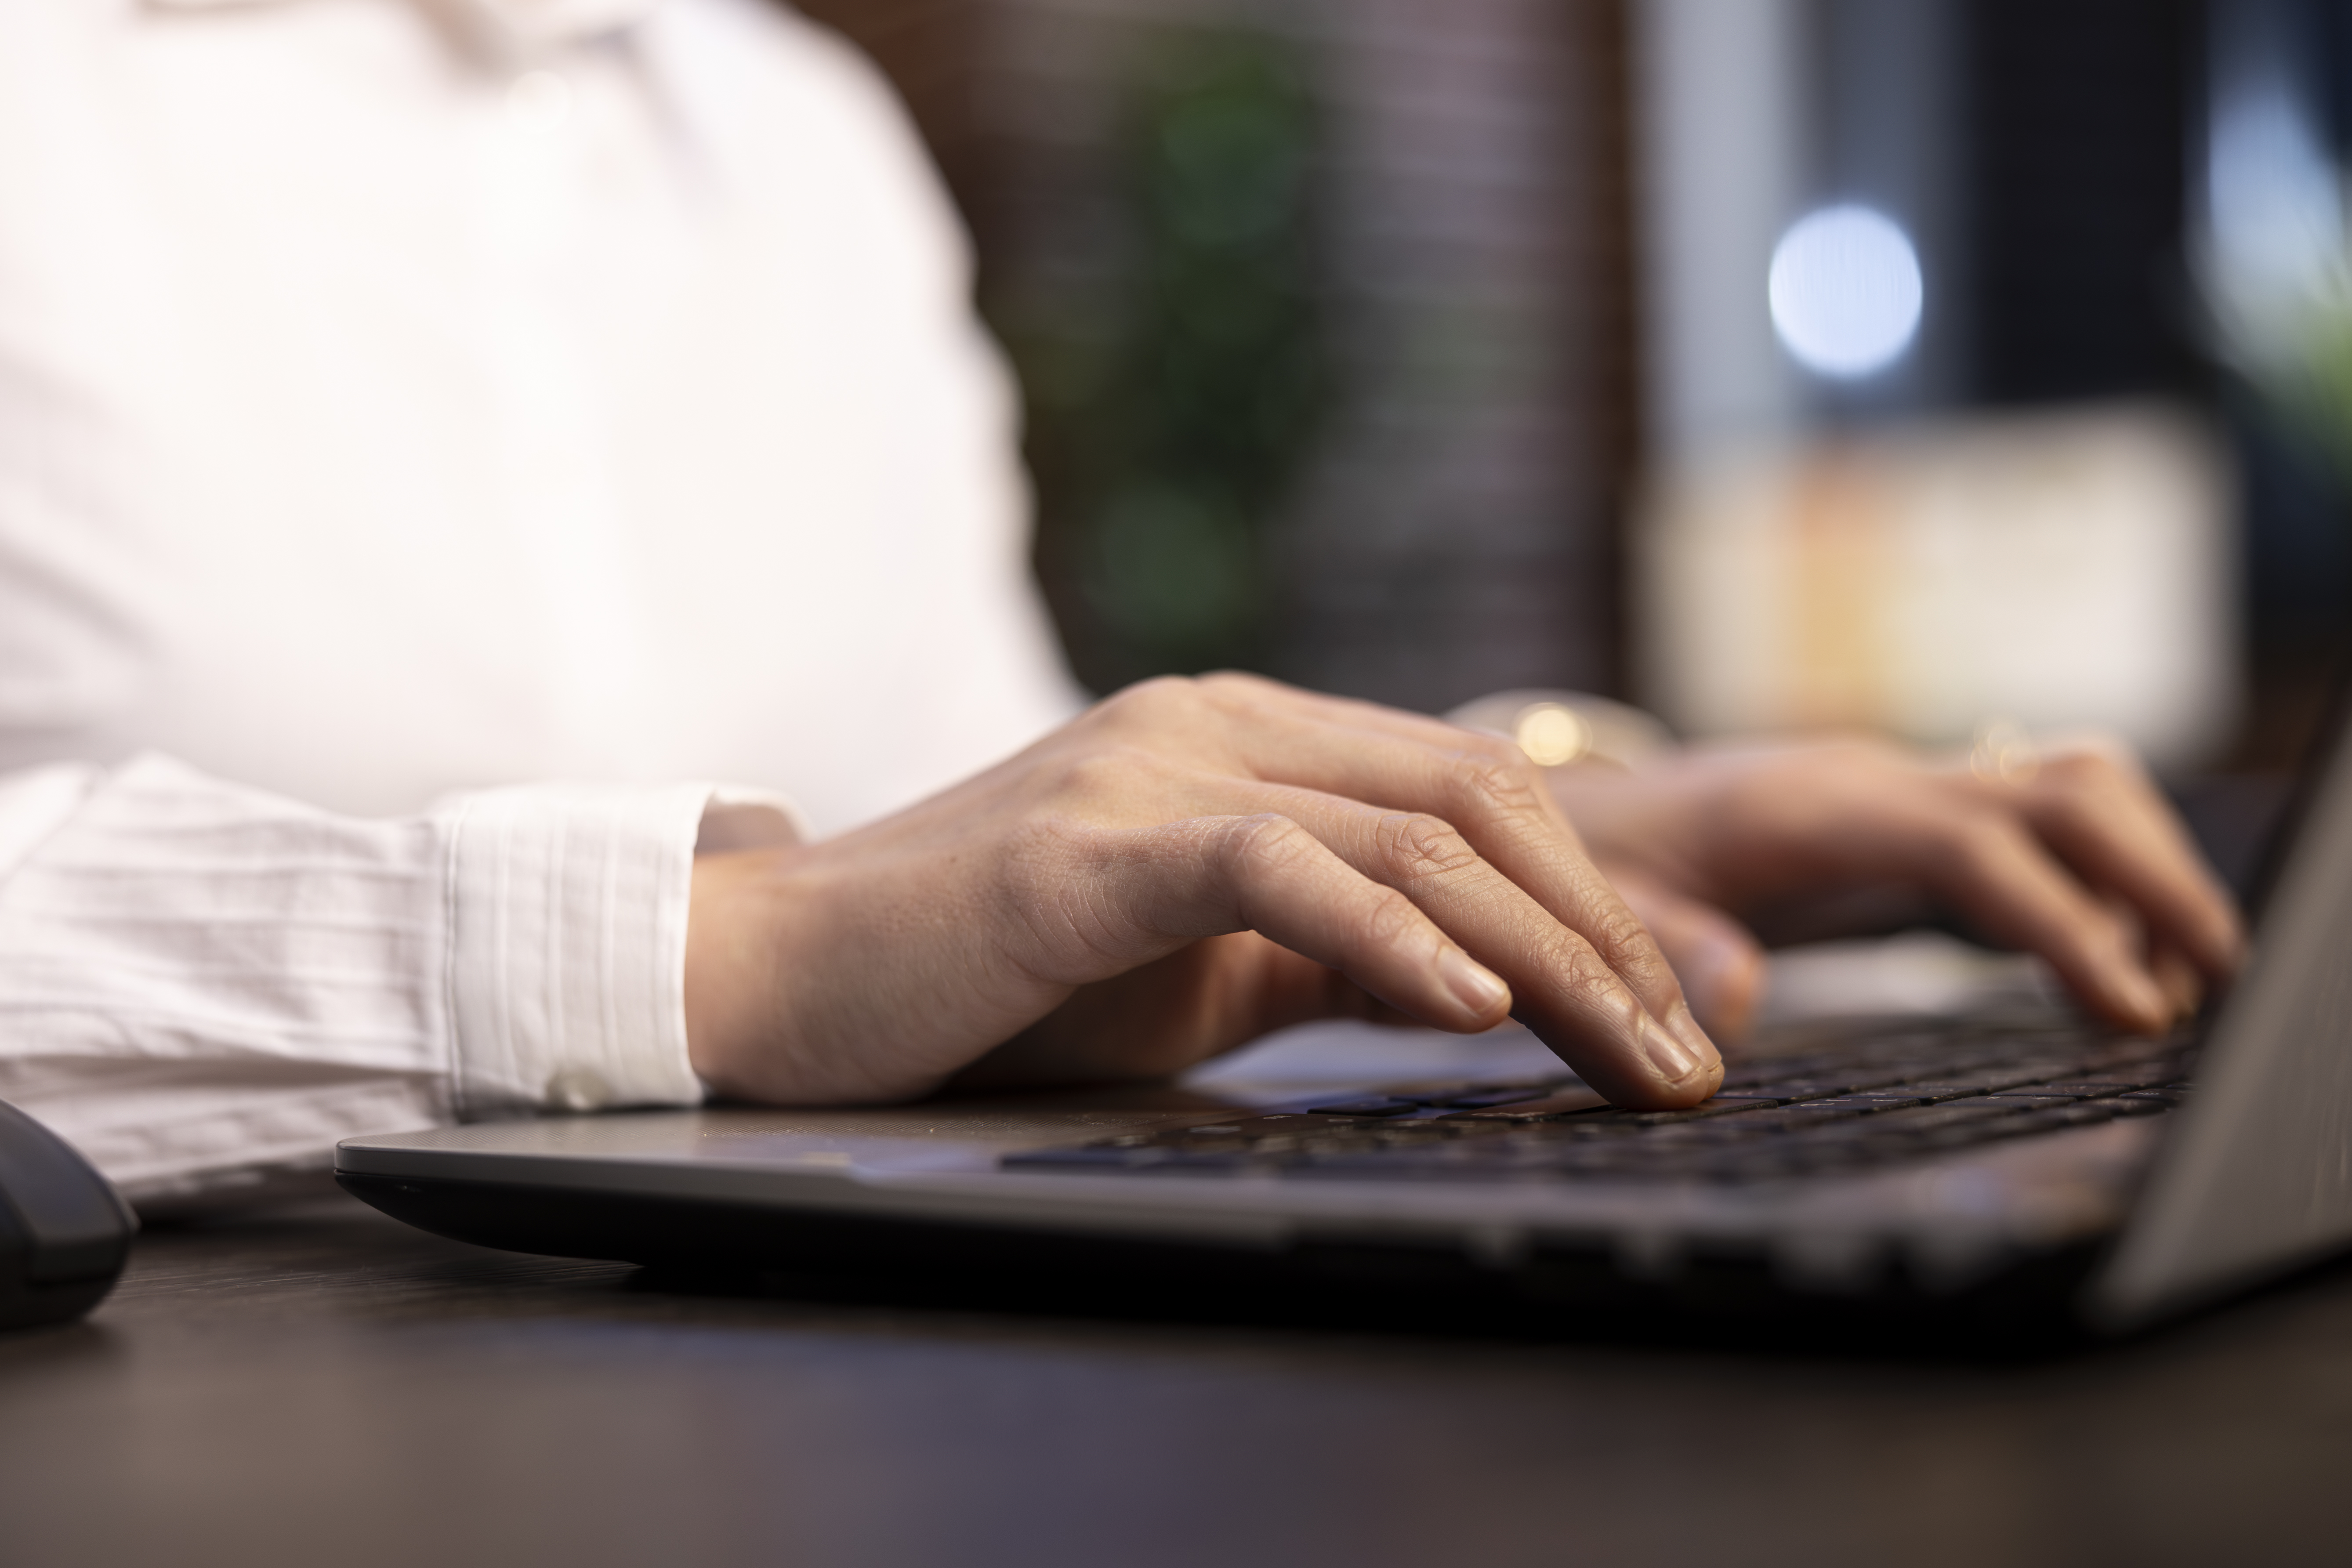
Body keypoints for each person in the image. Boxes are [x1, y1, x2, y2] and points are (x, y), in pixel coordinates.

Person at [0, 0, 2242, 1205]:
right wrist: (732, 946)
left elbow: (975, 843)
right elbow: (826, 933)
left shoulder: (794, 131)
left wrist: (1515, 831)